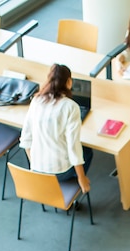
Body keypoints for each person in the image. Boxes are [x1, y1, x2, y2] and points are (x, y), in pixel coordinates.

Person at [20, 64, 92, 194]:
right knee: (87, 152)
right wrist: (82, 178)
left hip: (36, 169)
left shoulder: (36, 101)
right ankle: (75, 186)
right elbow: (73, 147)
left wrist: (36, 166)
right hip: (60, 172)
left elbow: (25, 138)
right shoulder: (71, 107)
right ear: (69, 82)